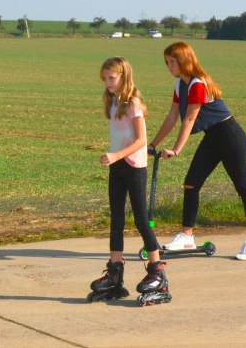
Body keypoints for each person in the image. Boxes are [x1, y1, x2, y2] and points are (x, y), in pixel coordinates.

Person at [150, 42, 246, 261]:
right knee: (191, 183)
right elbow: (172, 117)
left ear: (184, 60)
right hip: (212, 138)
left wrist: (176, 149)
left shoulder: (197, 84)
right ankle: (187, 236)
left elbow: (189, 119)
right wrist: (153, 144)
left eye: (172, 62)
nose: (169, 66)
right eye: (167, 62)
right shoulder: (180, 85)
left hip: (230, 136)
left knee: (243, 187)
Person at [88, 57, 170, 305]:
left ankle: (157, 272)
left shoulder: (133, 102)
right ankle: (115, 273)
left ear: (123, 76)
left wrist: (116, 155)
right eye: (104, 79)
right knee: (116, 218)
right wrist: (115, 158)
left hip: (134, 166)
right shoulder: (113, 101)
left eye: (111, 78)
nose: (107, 82)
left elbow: (141, 140)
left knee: (141, 219)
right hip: (117, 166)